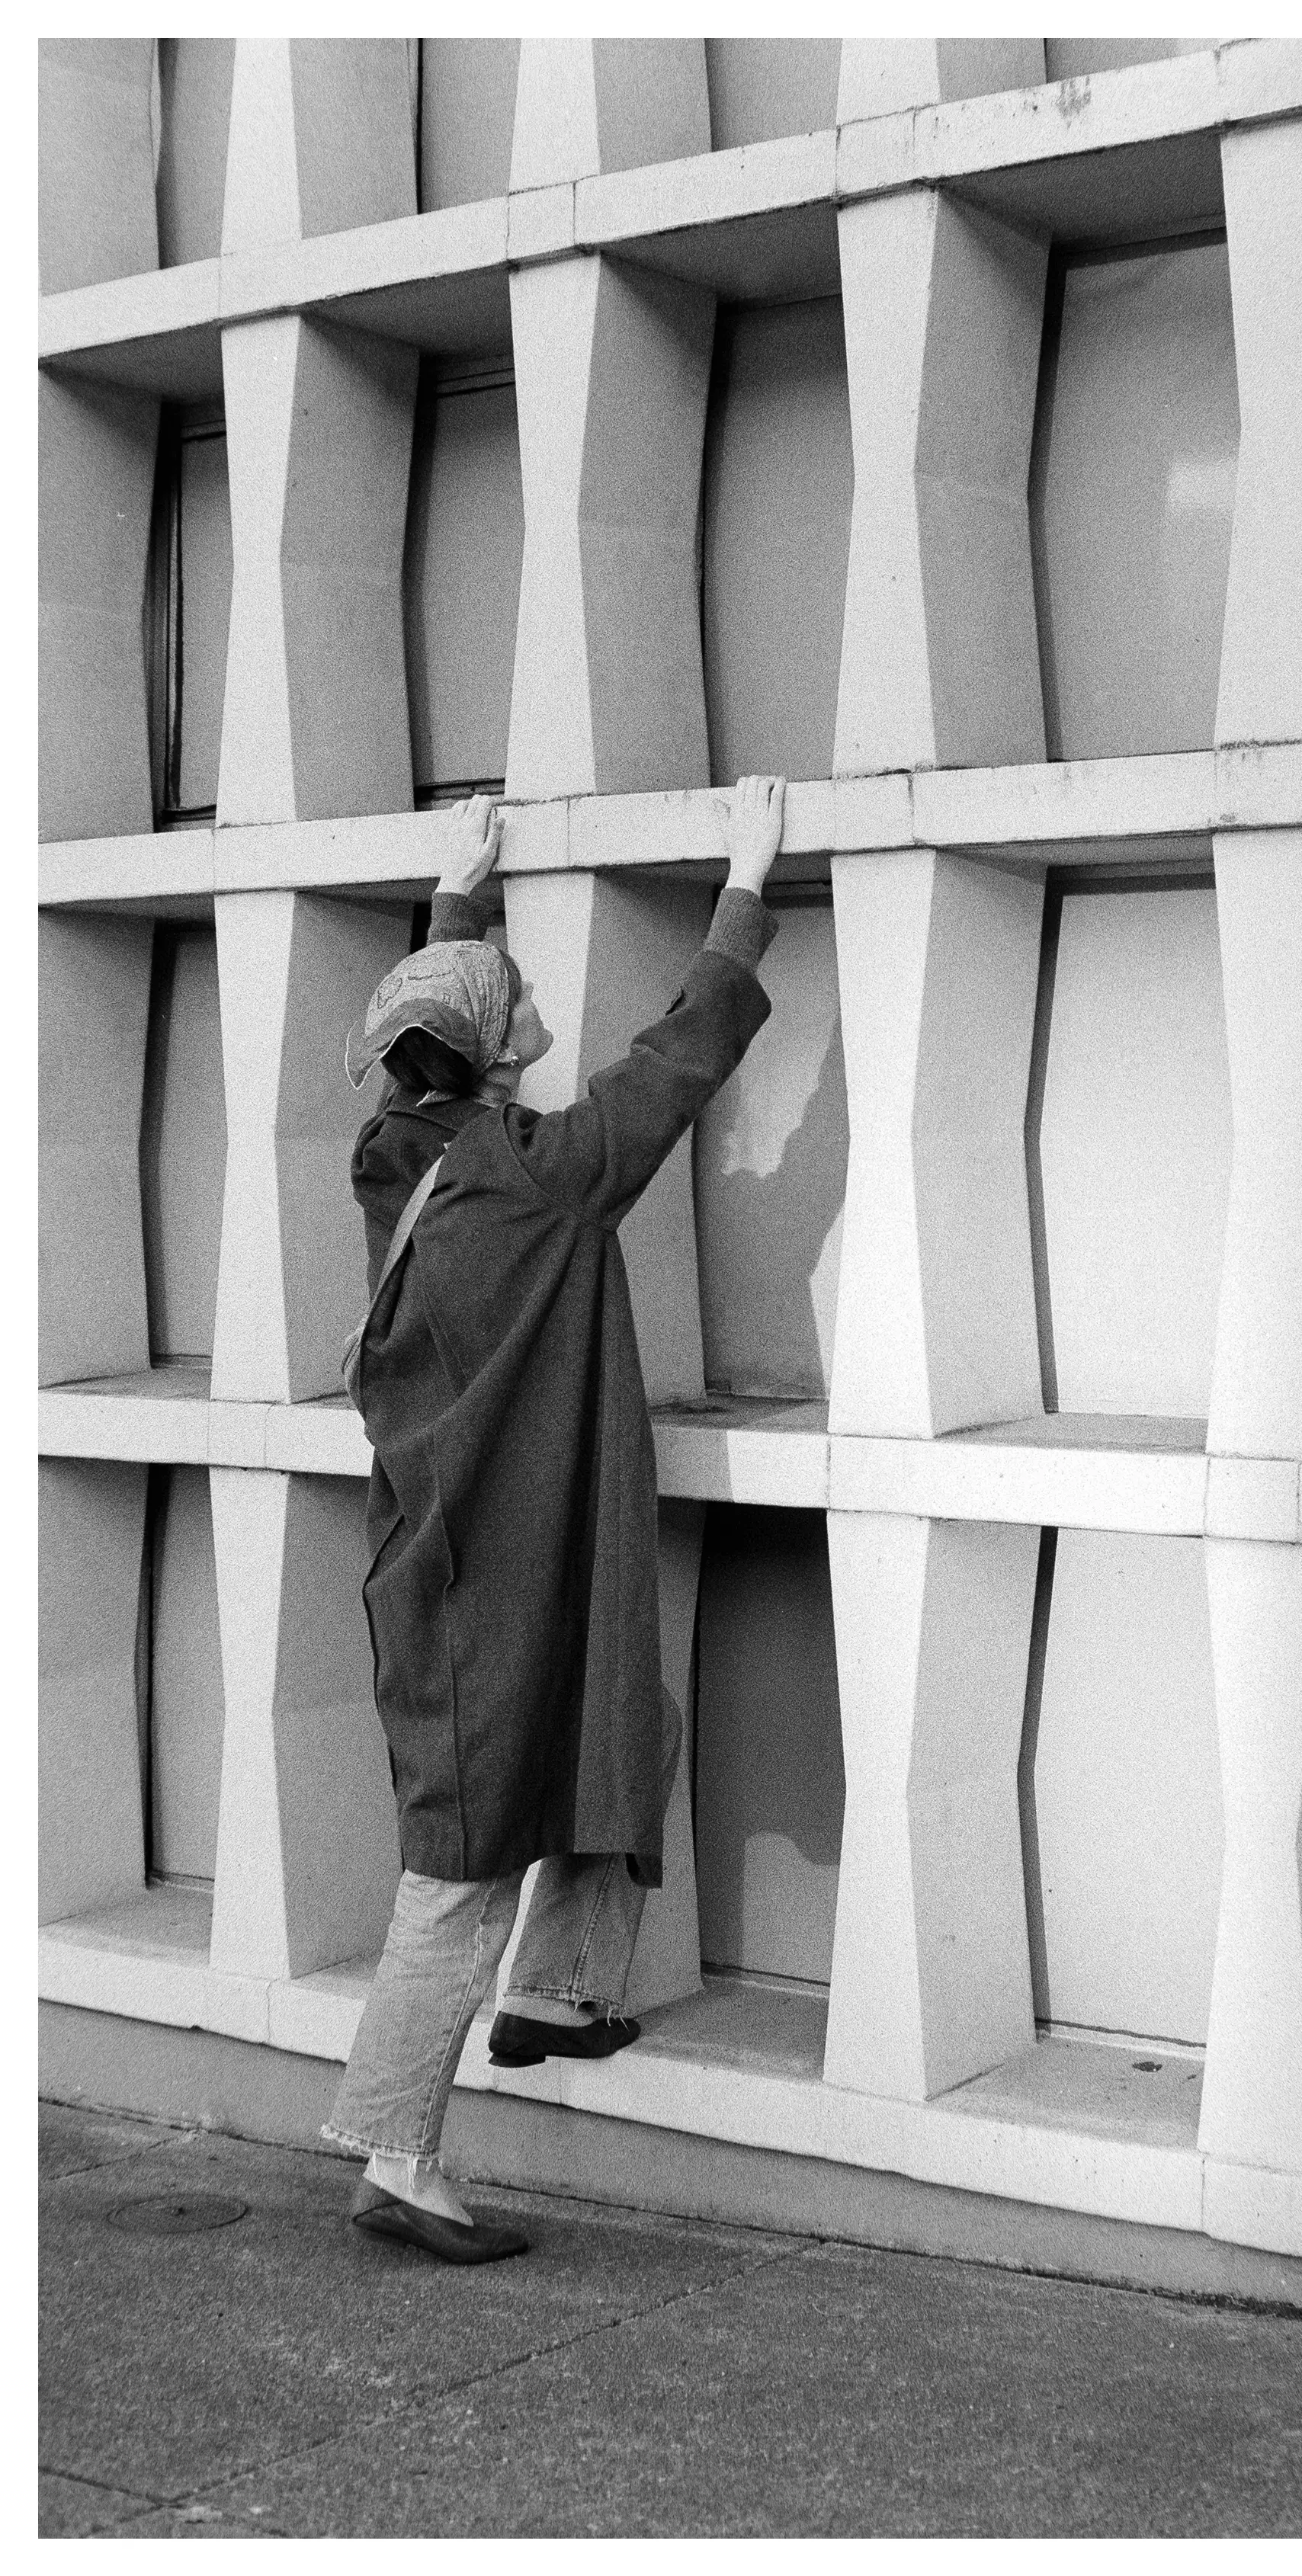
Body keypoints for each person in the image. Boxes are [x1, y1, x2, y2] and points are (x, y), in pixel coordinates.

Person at [322, 775, 787, 2264]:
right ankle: (397, 2154)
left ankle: (557, 1993)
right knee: (456, 1875)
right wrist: (749, 879)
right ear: (496, 1051)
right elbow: (681, 1056)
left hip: (456, 1572)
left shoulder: (398, 1167)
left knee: (610, 1736)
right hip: (488, 1593)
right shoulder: (551, 1177)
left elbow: (432, 1042)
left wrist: (457, 893)